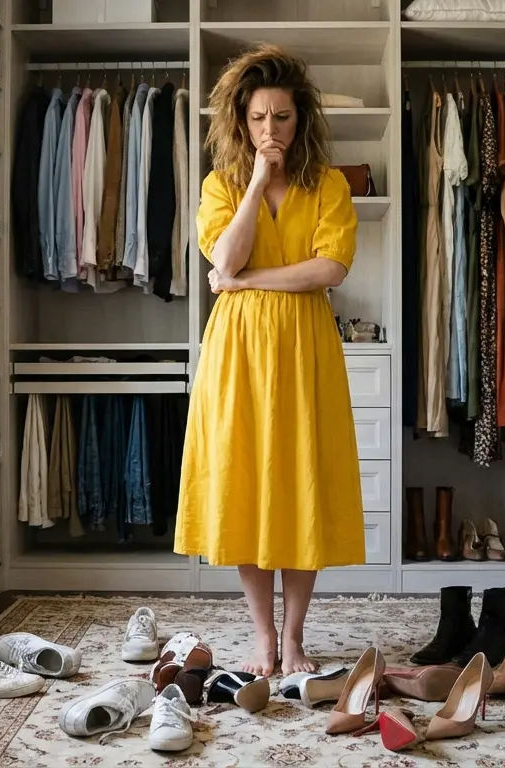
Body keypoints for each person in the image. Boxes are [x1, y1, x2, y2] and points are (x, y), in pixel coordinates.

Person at [174, 44, 364, 677]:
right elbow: (223, 259)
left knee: (301, 484)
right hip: (238, 353)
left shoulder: (329, 184)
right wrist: (256, 182)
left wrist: (244, 280)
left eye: (281, 117)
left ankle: (295, 635)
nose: (270, 129)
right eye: (258, 117)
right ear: (241, 120)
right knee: (246, 486)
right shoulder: (221, 186)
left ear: (300, 118)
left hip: (305, 347)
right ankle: (262, 637)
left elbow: (329, 270)